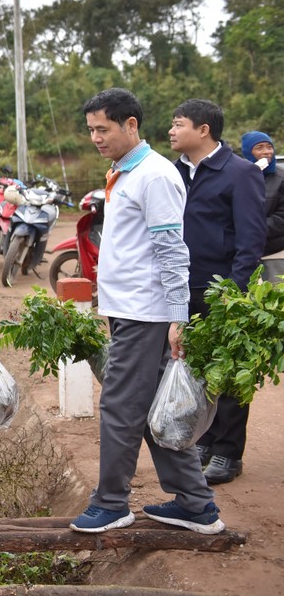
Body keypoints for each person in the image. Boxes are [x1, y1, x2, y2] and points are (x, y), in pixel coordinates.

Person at [70, 87, 223, 535]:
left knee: (119, 407)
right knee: (159, 408)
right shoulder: (123, 171)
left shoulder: (154, 175)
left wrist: (178, 316)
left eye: (104, 129)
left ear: (131, 125)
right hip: (130, 309)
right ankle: (197, 504)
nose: (96, 137)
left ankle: (112, 502)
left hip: (146, 312)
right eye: (91, 130)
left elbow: (172, 251)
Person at [177, 118, 270, 486]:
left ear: (203, 130)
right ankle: (207, 440)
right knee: (198, 370)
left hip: (224, 290)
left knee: (229, 373)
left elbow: (252, 238)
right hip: (184, 286)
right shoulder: (176, 172)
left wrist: (234, 289)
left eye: (177, 124)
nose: (170, 131)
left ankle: (229, 452)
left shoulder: (240, 172)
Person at [242, 131, 284, 257]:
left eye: (269, 146)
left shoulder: (281, 178)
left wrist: (254, 229)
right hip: (243, 251)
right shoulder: (238, 176)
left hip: (274, 251)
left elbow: (281, 217)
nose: (267, 152)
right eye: (259, 148)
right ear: (248, 152)